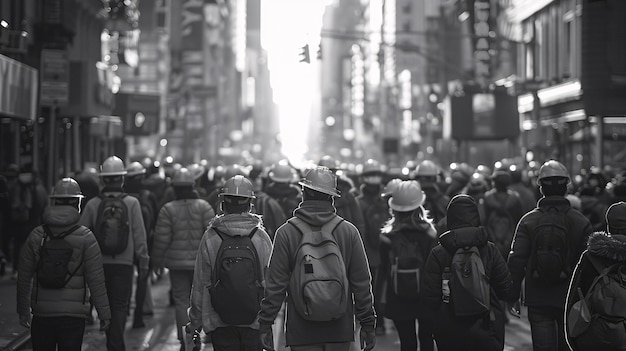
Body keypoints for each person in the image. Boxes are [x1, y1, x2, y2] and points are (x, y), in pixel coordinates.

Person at [257, 166, 376, 351]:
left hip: (301, 330)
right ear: (332, 197)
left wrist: (266, 323)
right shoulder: (348, 231)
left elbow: (275, 285)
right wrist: (368, 323)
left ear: (303, 193)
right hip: (339, 329)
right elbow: (361, 282)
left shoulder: (287, 232)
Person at [507, 160, 592, 351]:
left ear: (541, 188)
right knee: (567, 345)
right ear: (566, 186)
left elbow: (517, 259)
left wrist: (511, 295)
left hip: (537, 296)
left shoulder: (528, 221)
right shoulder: (580, 221)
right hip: (569, 298)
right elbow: (588, 262)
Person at [17, 178, 111, 350]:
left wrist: (23, 309)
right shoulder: (86, 237)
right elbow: (96, 280)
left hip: (42, 314)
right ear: (78, 204)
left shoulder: (36, 235)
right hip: (73, 317)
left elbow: (24, 277)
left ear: (53, 201)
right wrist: (104, 314)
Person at [188, 175, 272, 351]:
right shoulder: (260, 237)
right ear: (250, 204)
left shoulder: (211, 236)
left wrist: (195, 322)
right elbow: (271, 281)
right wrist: (269, 319)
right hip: (254, 320)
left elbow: (200, 283)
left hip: (219, 319)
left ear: (222, 203)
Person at [420, 194, 512, 351]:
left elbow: (429, 297)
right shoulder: (489, 249)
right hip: (486, 325)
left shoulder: (438, 253)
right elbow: (505, 289)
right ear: (476, 217)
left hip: (449, 327)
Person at [79, 156, 150, 351]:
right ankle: (115, 344)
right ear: (122, 179)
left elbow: (82, 234)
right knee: (119, 305)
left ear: (103, 179)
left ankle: (113, 340)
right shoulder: (132, 203)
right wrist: (143, 261)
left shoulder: (93, 204)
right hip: (124, 264)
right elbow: (139, 235)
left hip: (98, 263)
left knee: (103, 305)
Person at [152, 167, 215, 348]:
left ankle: (185, 340)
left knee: (181, 301)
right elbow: (212, 236)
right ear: (192, 185)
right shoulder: (204, 207)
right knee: (202, 301)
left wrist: (157, 261)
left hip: (177, 265)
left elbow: (161, 239)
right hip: (200, 265)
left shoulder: (167, 210)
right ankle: (198, 336)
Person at [379, 180, 437, 351]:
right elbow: (435, 269)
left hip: (398, 297)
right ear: (419, 206)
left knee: (407, 342)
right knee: (427, 339)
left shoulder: (387, 237)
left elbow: (383, 271)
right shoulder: (430, 234)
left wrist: (378, 300)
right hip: (426, 297)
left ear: (394, 208)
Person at [565, 201, 626, 351]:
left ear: (608, 226)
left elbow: (574, 300)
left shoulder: (591, 256)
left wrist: (574, 340)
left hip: (596, 337)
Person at [355, 159, 390, 336]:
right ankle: (373, 321)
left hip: (386, 252)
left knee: (380, 290)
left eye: (375, 174)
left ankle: (379, 321)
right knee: (371, 290)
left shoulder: (387, 199)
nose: (374, 178)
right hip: (368, 252)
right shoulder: (358, 202)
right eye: (370, 175)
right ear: (364, 178)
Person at [124, 161, 158, 328]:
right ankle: (138, 315)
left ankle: (124, 312)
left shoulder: (122, 196)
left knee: (126, 278)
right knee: (143, 278)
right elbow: (156, 221)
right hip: (145, 243)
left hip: (124, 245)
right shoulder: (148, 196)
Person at [8, 163, 48, 279]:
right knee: (33, 246)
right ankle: (32, 268)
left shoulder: (16, 187)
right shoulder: (39, 188)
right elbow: (43, 206)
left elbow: (11, 205)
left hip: (20, 222)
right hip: (33, 222)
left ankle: (17, 269)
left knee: (18, 245)